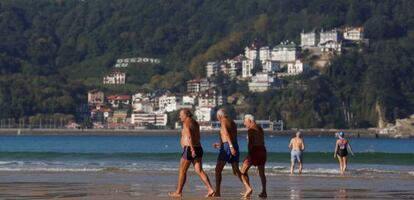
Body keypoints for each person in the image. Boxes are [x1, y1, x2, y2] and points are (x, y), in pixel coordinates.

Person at [169, 109, 215, 197]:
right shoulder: (195, 122)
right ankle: (210, 189)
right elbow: (197, 136)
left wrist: (192, 149)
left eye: (181, 115)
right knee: (199, 170)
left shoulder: (186, 123)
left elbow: (189, 137)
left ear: (186, 115)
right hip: (198, 148)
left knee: (182, 171)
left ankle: (178, 192)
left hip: (190, 149)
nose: (179, 116)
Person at [213, 108, 250, 197]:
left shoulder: (223, 122)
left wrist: (229, 146)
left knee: (218, 170)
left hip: (228, 147)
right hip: (234, 145)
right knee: (236, 171)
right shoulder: (232, 122)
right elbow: (231, 136)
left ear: (219, 116)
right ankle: (248, 188)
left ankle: (217, 192)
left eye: (217, 116)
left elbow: (226, 134)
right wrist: (221, 145)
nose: (217, 118)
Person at [240, 114, 267, 198]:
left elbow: (250, 144)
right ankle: (264, 192)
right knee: (262, 173)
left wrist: (249, 155)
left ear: (250, 121)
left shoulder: (251, 130)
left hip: (254, 150)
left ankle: (248, 189)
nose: (244, 124)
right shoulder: (260, 128)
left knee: (242, 171)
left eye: (245, 121)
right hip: (262, 150)